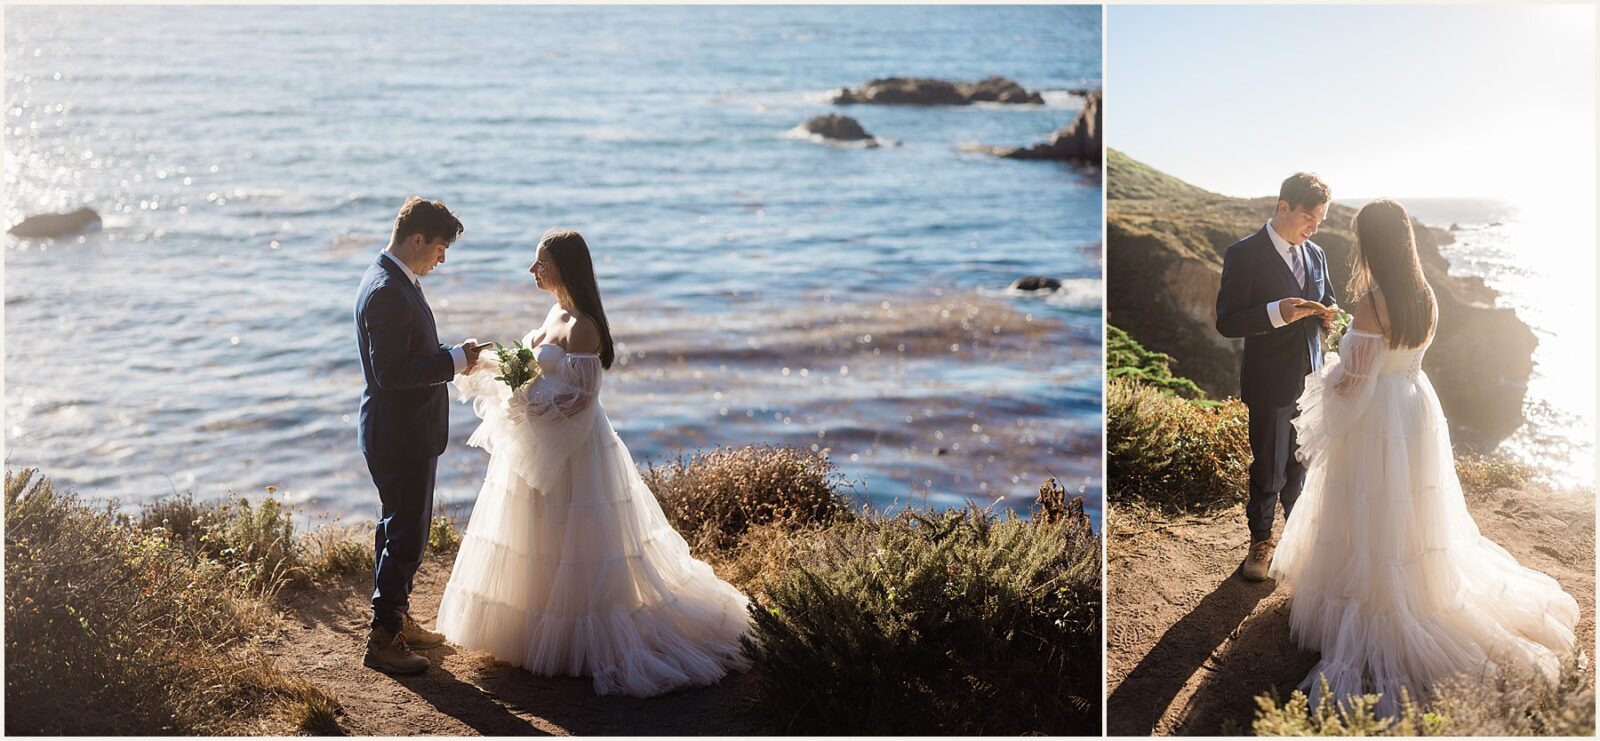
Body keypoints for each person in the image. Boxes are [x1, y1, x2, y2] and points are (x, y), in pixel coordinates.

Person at [1269, 199, 1578, 714]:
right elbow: (1395, 358)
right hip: (1414, 406)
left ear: (1372, 243)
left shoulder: (1371, 302)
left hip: (1379, 416)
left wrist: (1325, 370)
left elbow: (1355, 384)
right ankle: (1416, 586)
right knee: (1407, 504)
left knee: (1370, 504)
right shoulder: (1425, 295)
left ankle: (1377, 599)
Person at [436, 228, 751, 697]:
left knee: (576, 541)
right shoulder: (554, 310)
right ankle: (536, 626)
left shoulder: (585, 326)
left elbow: (580, 399)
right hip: (537, 444)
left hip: (573, 451)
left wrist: (524, 402)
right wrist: (493, 363)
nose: (531, 270)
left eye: (539, 262)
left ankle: (580, 641)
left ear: (563, 266)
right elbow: (537, 366)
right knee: (536, 536)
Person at [354, 196, 488, 674]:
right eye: (439, 248)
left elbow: (407, 354)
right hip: (400, 435)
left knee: (396, 528)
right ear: (417, 239)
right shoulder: (387, 290)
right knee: (407, 535)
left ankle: (395, 617)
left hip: (401, 431)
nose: (442, 258)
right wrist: (454, 362)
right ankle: (384, 640)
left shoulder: (394, 279)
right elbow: (391, 373)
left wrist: (452, 354)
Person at [1214, 173, 1340, 580]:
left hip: (1312, 378)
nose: (1314, 227)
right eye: (1308, 217)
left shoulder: (1317, 254)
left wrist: (1328, 315)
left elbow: (1329, 300)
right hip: (1269, 380)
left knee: (1300, 464)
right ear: (1282, 206)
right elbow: (1227, 322)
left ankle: (1295, 540)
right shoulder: (1244, 253)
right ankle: (1260, 542)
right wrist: (1277, 312)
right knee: (1269, 467)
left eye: (1320, 220)